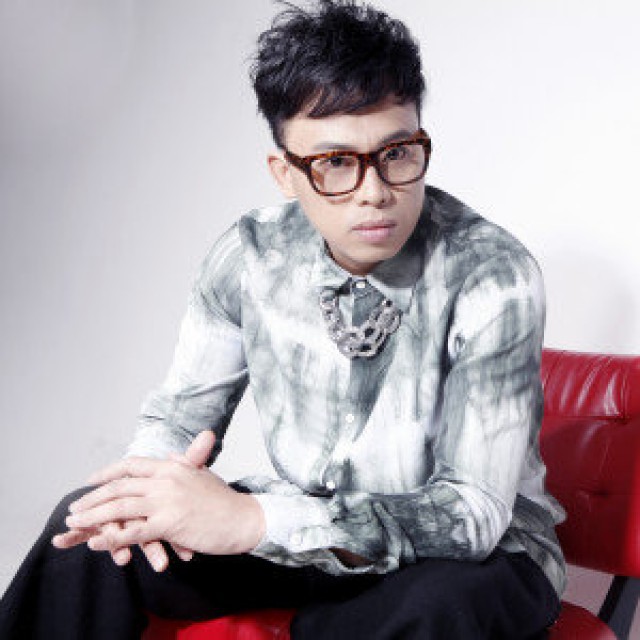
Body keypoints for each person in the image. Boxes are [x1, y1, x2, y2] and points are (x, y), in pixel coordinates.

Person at [0, 1, 566, 638]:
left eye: (398, 152)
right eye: (335, 163)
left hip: (474, 555)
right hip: (310, 529)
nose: (375, 190)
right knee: (86, 534)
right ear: (286, 174)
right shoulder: (251, 255)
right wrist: (144, 499)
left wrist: (256, 521)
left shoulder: (492, 271)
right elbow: (180, 419)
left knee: (424, 605)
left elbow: (472, 513)